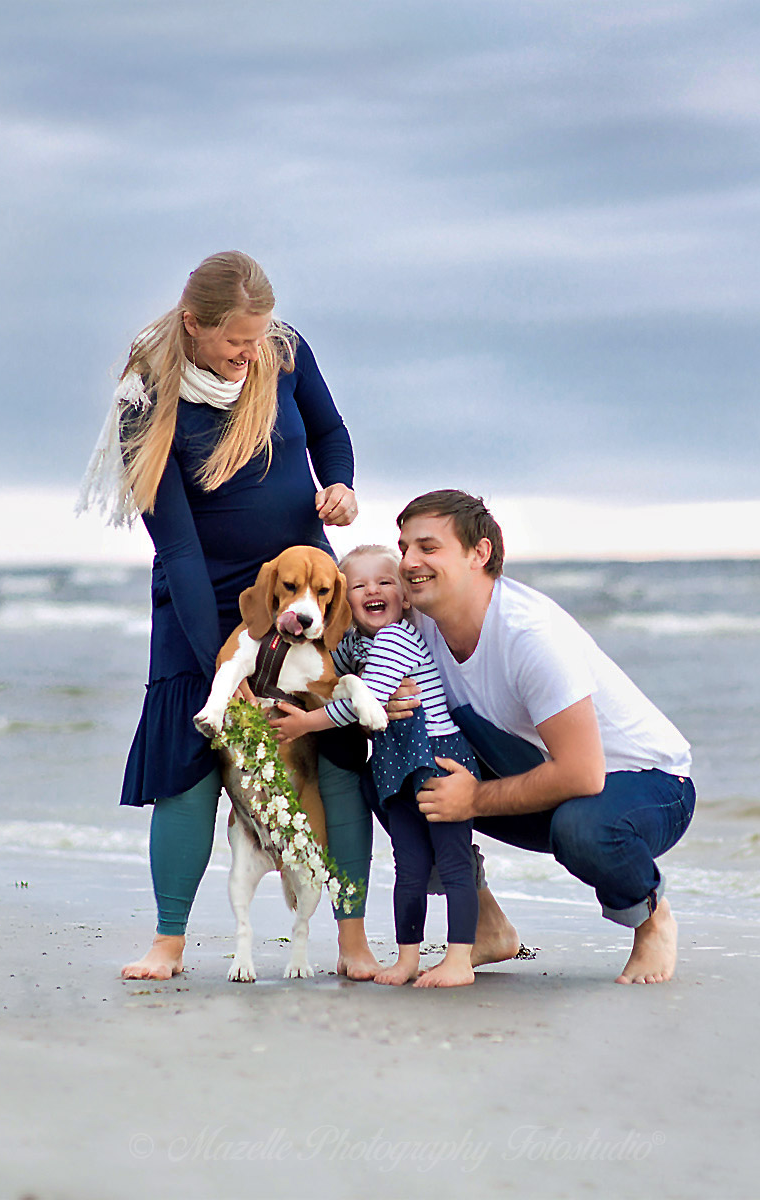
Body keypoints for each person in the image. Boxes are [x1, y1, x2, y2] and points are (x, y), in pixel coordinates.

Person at [78, 250, 378, 981]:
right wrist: (227, 658)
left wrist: (338, 485)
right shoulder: (143, 401)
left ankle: (352, 939)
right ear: (194, 325)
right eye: (237, 343)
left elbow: (331, 434)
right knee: (192, 758)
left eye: (260, 338)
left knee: (332, 748)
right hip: (201, 591)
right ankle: (169, 942)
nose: (252, 355)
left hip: (303, 587)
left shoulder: (286, 353)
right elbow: (176, 545)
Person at [388, 489, 696, 985]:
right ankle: (485, 924)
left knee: (582, 829)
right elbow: (351, 594)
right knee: (394, 768)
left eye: (428, 548)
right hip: (545, 771)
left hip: (651, 784)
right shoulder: (418, 619)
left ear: (478, 553)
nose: (408, 562)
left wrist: (474, 799)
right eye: (403, 548)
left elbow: (582, 772)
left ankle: (652, 918)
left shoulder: (530, 635)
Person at [271, 545, 481, 987]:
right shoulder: (354, 644)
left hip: (436, 759)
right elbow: (331, 671)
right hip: (394, 767)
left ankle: (460, 957)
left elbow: (366, 700)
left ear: (405, 596)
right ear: (343, 600)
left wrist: (308, 722)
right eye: (360, 585)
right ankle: (407, 959)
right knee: (409, 865)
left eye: (385, 582)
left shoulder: (395, 639)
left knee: (453, 861)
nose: (374, 590)